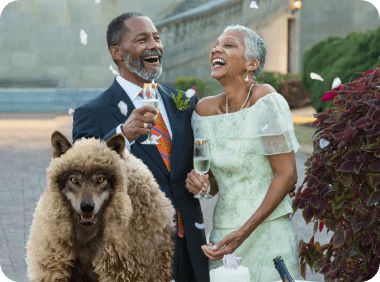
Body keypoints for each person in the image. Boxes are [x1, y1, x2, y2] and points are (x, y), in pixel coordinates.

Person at [72, 13, 209, 282]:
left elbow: (199, 165)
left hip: (190, 246)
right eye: (142, 39)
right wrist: (122, 135)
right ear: (117, 52)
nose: (154, 45)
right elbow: (81, 177)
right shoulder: (92, 113)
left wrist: (204, 180)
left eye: (157, 38)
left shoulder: (183, 104)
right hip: (134, 252)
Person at [186, 25, 301, 281]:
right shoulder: (203, 111)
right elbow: (214, 181)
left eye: (228, 45)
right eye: (216, 45)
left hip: (267, 231)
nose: (216, 49)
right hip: (223, 235)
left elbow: (287, 174)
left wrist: (243, 232)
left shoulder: (266, 101)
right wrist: (201, 184)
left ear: (251, 64)